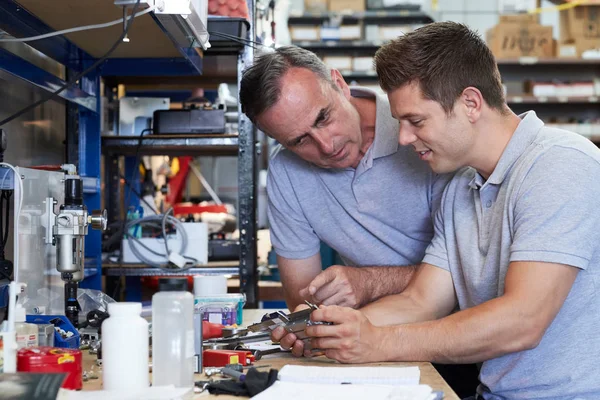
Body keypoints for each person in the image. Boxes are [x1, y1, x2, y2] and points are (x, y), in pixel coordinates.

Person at [305, 22, 600, 399]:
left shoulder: (560, 166)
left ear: (471, 104)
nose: (405, 138)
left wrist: (380, 342)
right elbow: (421, 301)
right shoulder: (461, 188)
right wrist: (327, 330)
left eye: (416, 121)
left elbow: (523, 321)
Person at [239, 46, 451, 346]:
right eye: (299, 140)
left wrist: (368, 283)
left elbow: (466, 272)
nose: (326, 146)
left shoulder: (421, 130)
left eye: (323, 117)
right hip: (376, 335)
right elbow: (304, 297)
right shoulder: (287, 171)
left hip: (459, 332)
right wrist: (308, 328)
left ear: (339, 84)